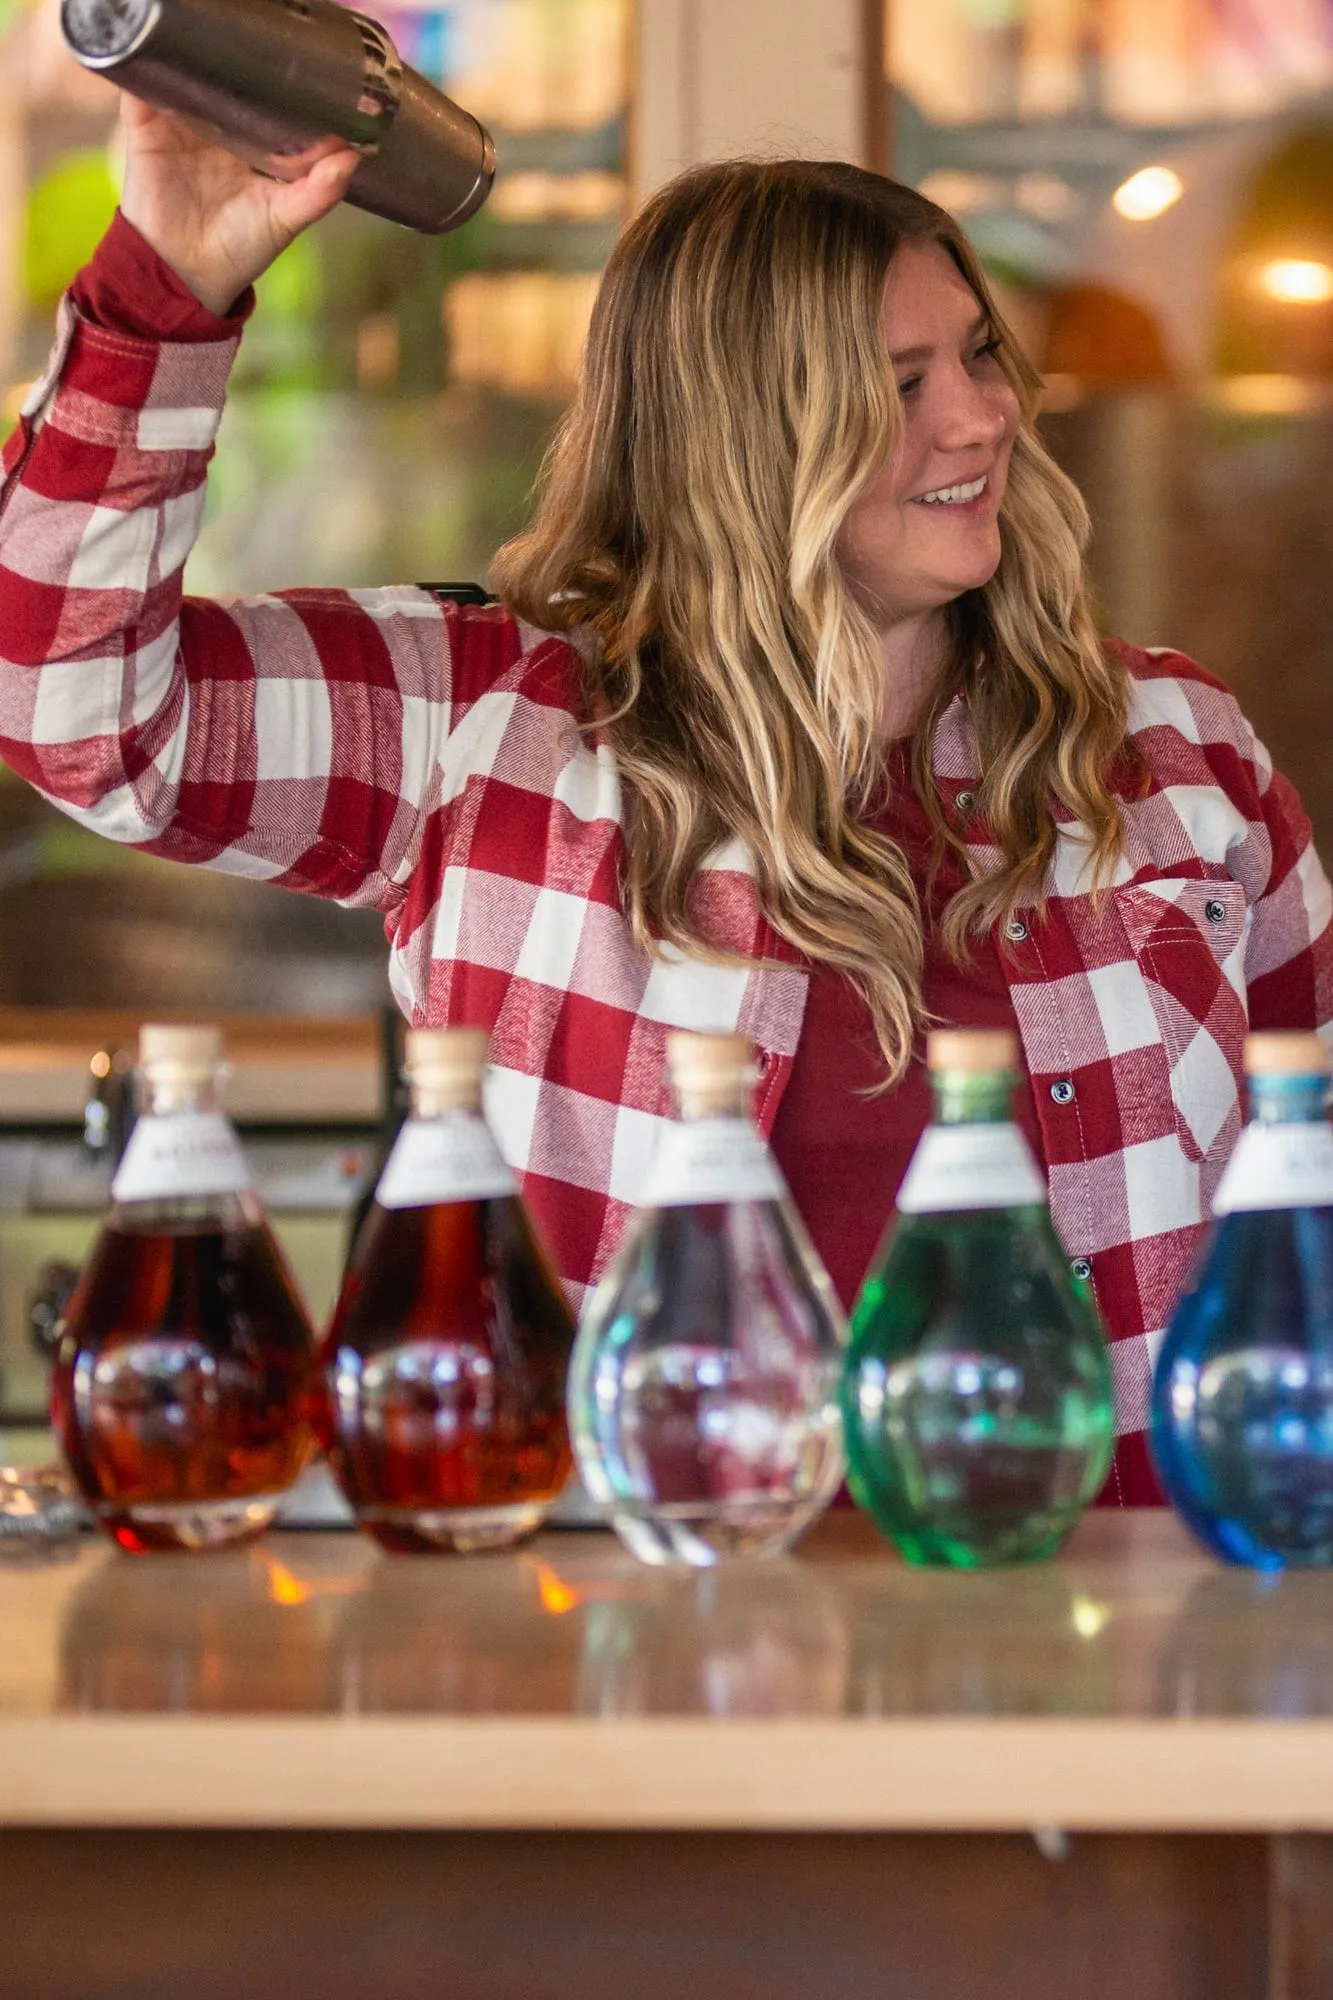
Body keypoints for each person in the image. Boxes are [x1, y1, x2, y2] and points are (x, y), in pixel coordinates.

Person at [0, 105, 1329, 1507]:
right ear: (743, 438)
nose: (988, 413)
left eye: (981, 352)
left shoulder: (1176, 751)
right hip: (648, 1641)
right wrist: (166, 284)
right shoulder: (491, 722)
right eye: (902, 380)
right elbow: (69, 709)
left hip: (1104, 1647)